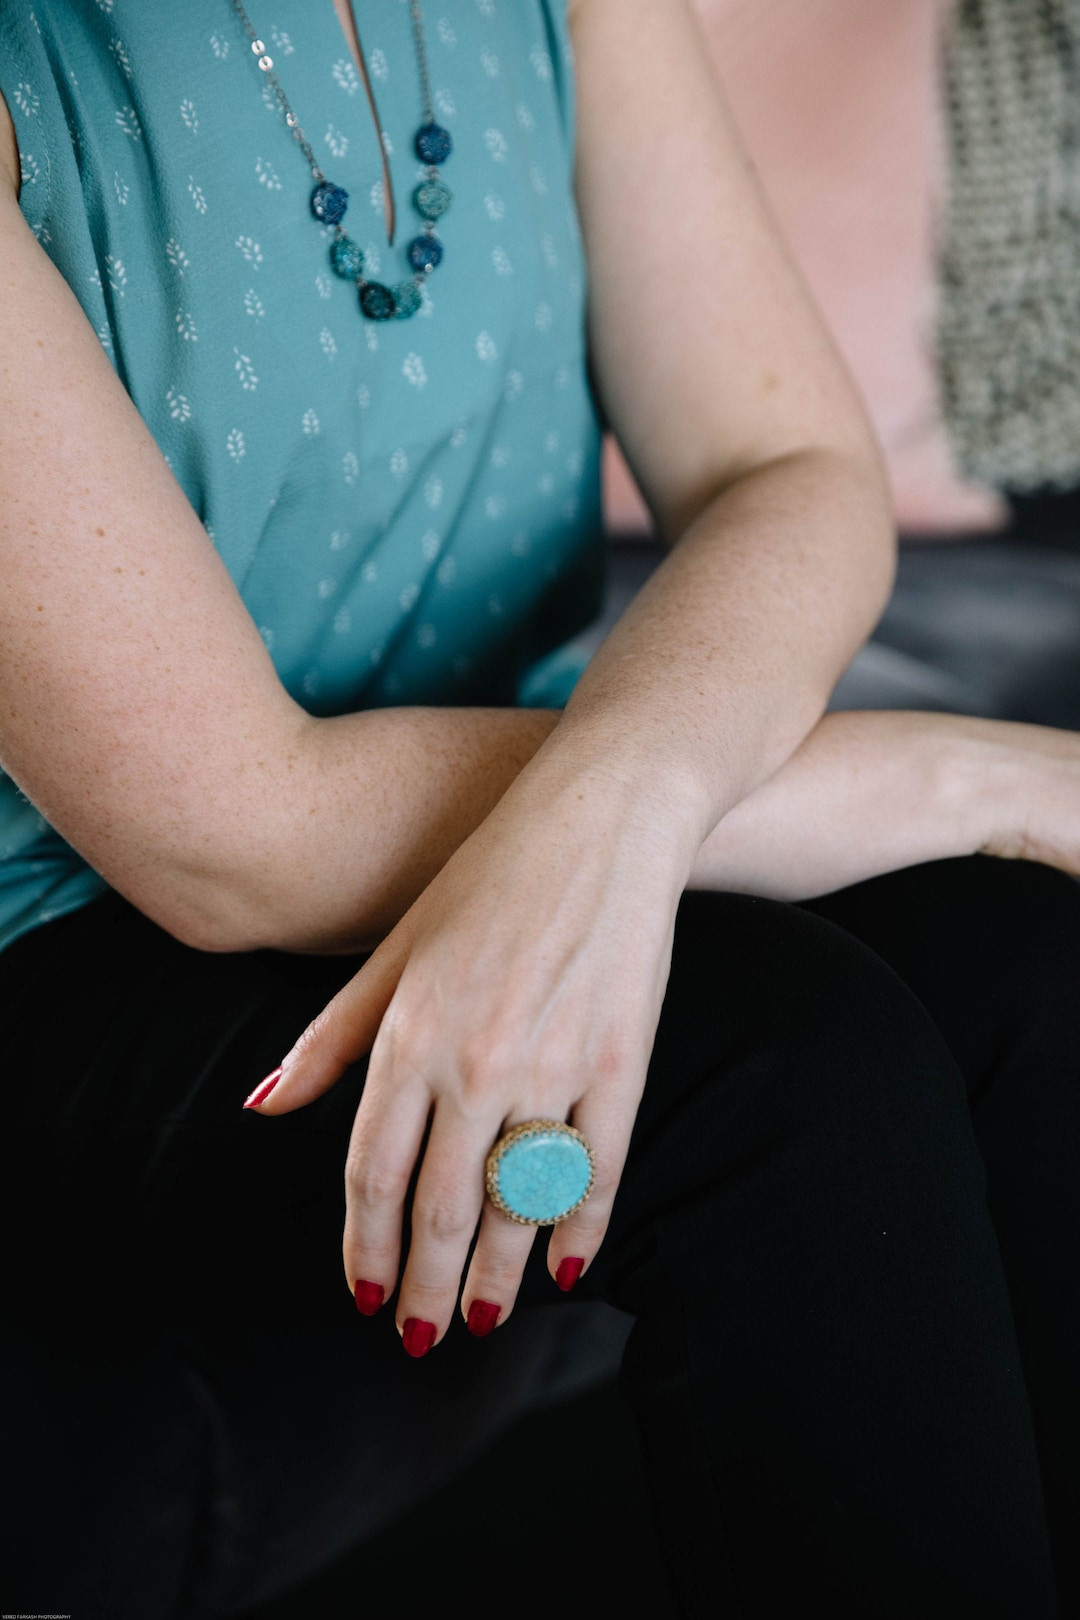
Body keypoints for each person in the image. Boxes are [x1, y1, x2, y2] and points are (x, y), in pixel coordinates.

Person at [1, 3, 1079, 1617]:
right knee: (786, 1073)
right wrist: (953, 771)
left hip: (503, 780)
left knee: (1029, 959)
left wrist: (626, 800)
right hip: (82, 941)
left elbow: (782, 460)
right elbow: (238, 837)